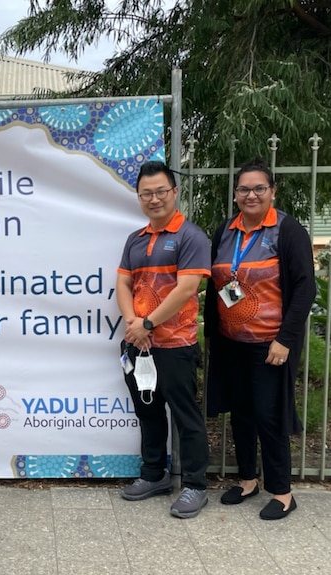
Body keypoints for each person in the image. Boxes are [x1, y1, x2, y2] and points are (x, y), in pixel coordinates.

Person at [205, 160, 315, 520]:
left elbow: (304, 288)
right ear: (235, 194)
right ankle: (248, 479)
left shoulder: (287, 231)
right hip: (231, 342)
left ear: (272, 192)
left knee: (269, 416)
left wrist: (285, 339)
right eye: (243, 189)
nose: (250, 195)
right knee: (241, 415)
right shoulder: (226, 231)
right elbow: (215, 285)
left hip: (270, 345)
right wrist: (211, 334)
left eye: (258, 188)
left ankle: (282, 492)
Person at [116, 161, 211, 519]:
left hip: (176, 346)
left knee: (187, 418)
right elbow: (124, 283)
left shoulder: (190, 236)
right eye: (146, 194)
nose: (153, 199)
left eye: (160, 192)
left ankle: (195, 485)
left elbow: (187, 288)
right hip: (139, 345)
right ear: (139, 197)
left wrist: (149, 323)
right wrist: (132, 323)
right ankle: (154, 475)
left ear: (174, 192)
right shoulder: (135, 240)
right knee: (148, 413)